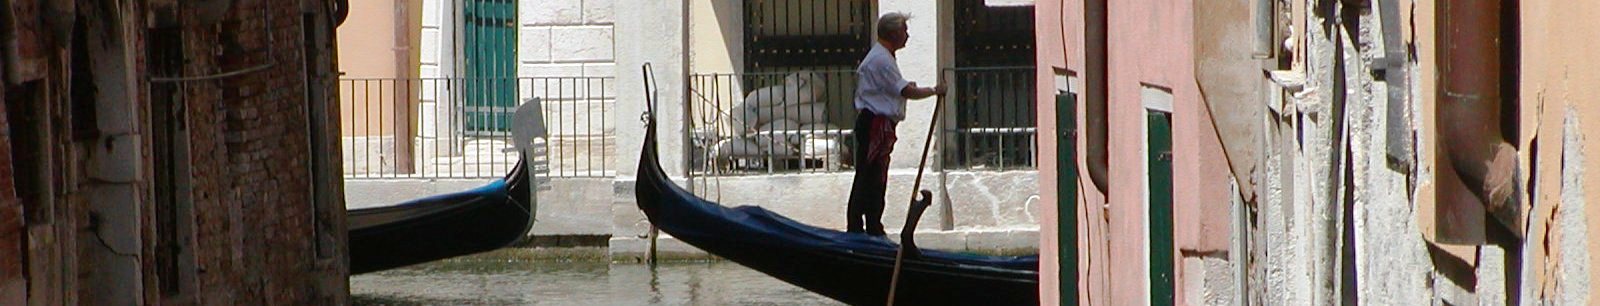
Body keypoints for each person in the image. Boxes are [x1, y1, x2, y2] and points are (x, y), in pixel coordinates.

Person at [846, 12, 946, 236]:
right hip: (874, 123)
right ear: (893, 33)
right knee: (869, 174)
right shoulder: (881, 59)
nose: (907, 36)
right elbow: (906, 91)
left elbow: (890, 89)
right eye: (904, 31)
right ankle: (860, 226)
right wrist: (934, 91)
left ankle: (872, 224)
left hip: (880, 123)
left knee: (876, 175)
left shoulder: (885, 57)